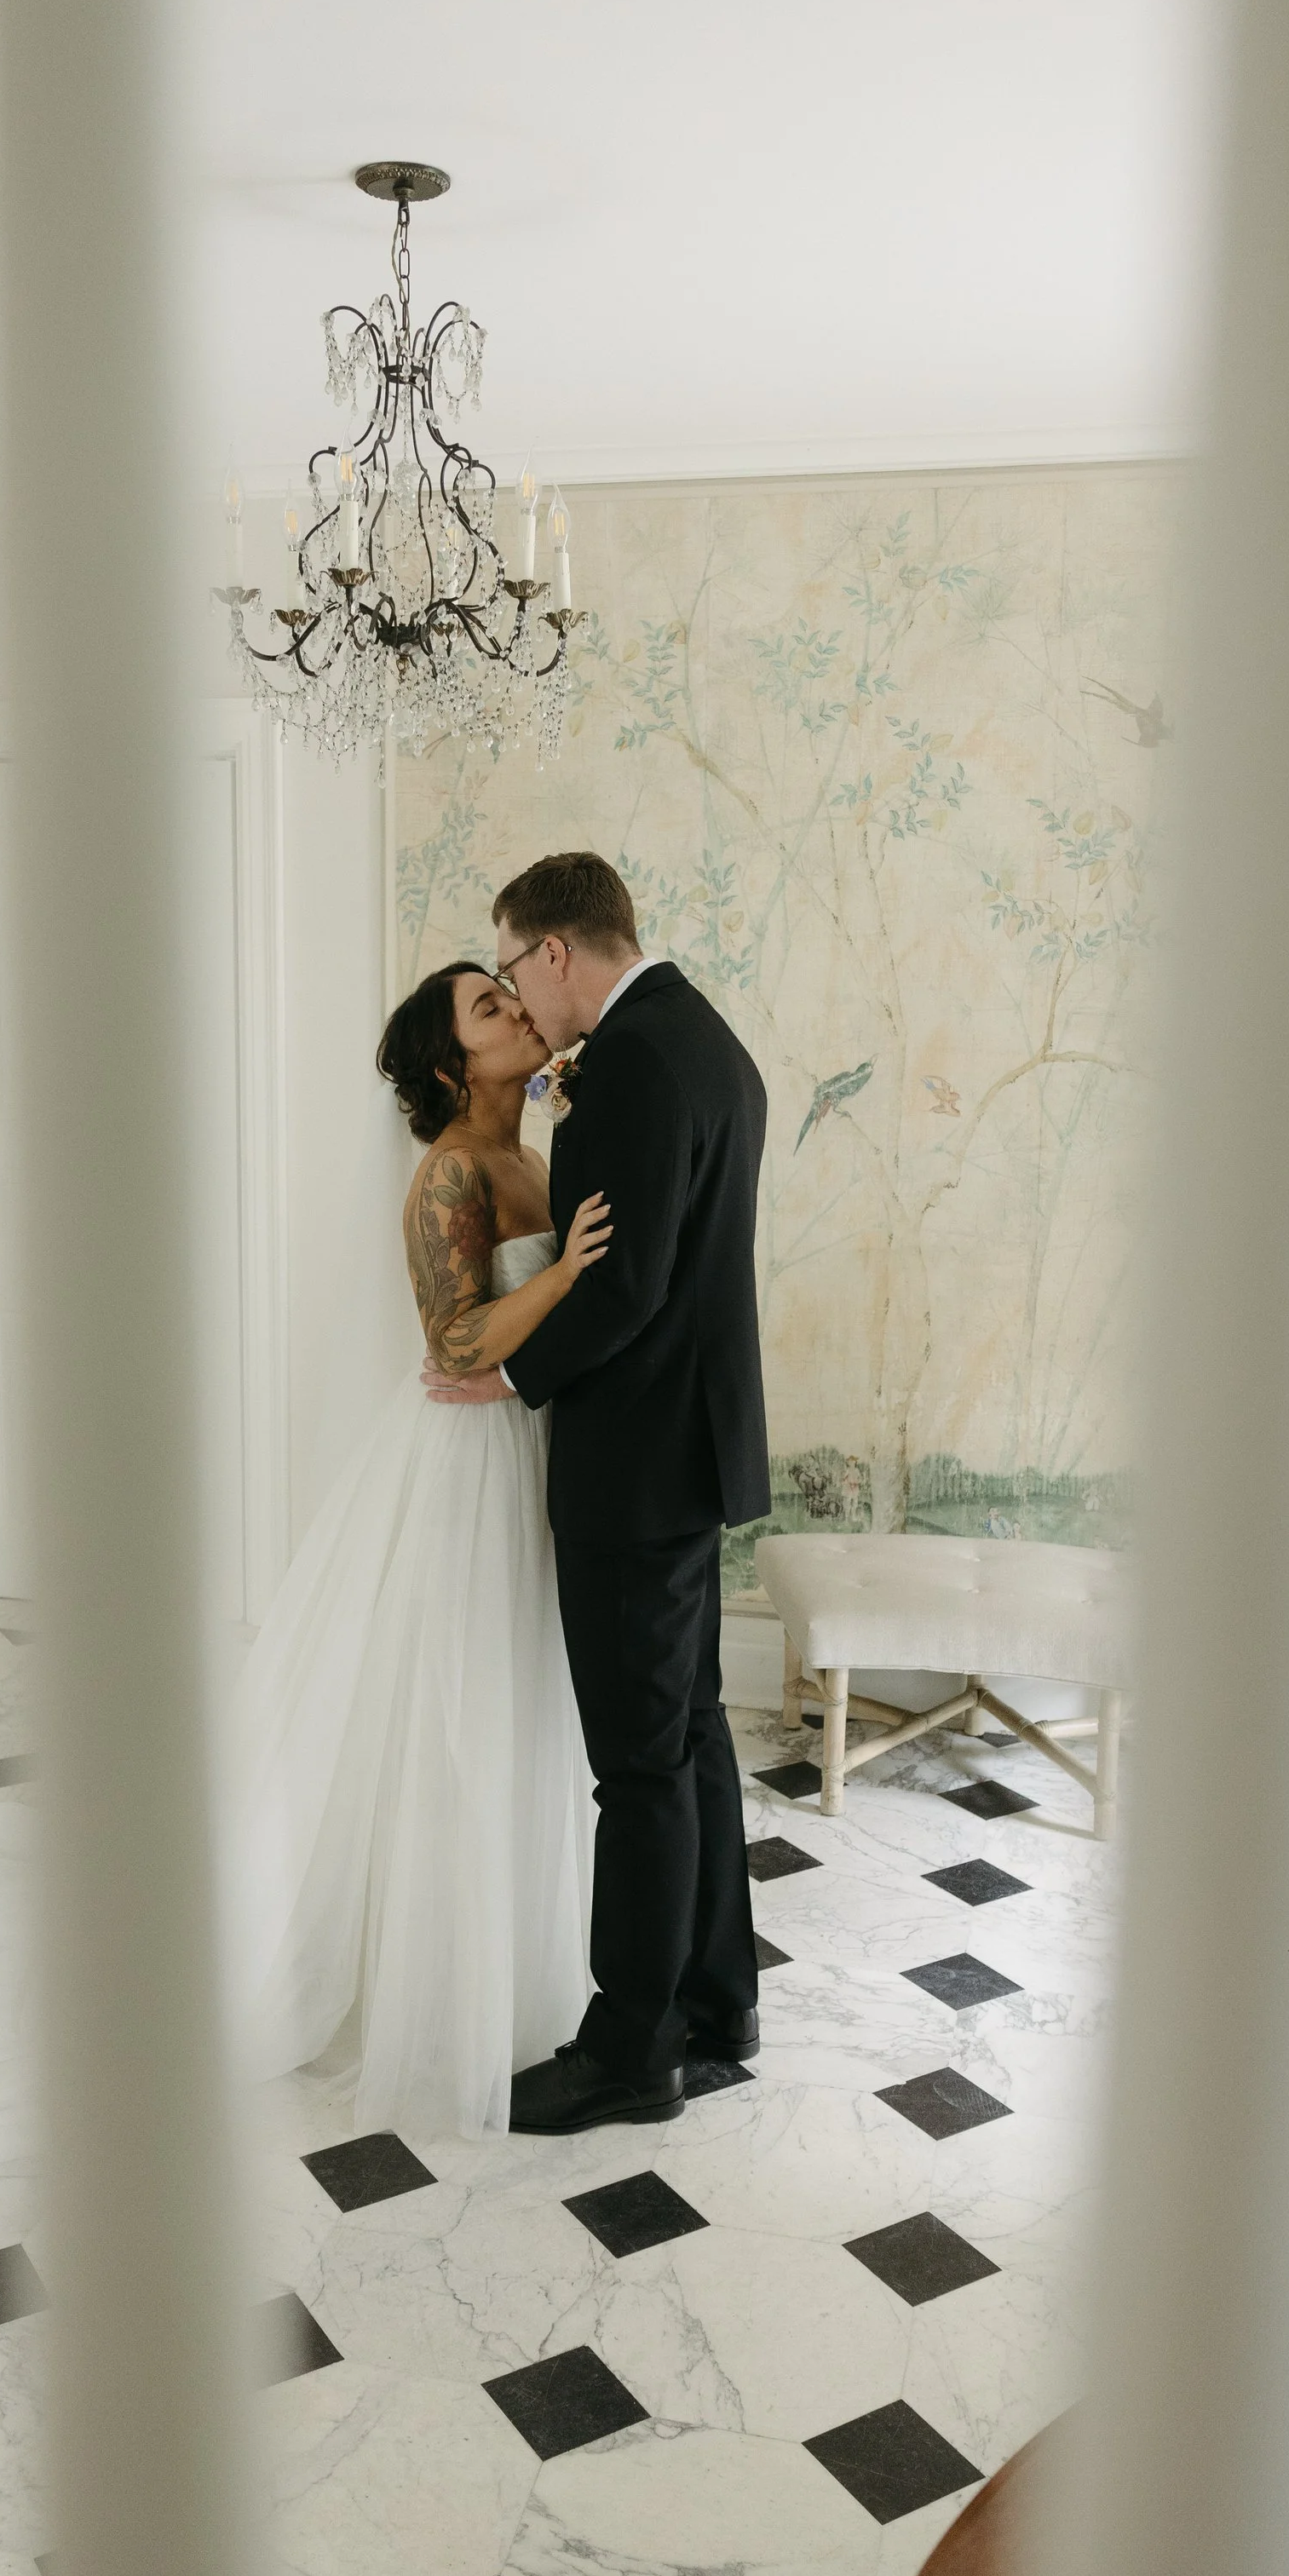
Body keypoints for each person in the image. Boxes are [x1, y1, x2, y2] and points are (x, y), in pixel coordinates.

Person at [228, 960, 613, 2137]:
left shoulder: (531, 1156)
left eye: (509, 993)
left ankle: (516, 1966)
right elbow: (453, 1339)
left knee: (519, 1708)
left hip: (533, 1449)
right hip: (467, 1465)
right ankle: (421, 1989)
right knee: (451, 1712)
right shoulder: (447, 1171)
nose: (515, 1010)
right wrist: (562, 1272)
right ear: (452, 1063)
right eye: (488, 1008)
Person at [425, 850, 771, 2135]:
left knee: (638, 1768)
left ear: (557, 951)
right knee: (690, 1737)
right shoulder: (708, 1037)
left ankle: (632, 2047)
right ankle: (717, 2002)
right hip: (695, 1446)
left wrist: (512, 1375)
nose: (520, 993)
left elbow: (623, 1285)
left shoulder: (628, 1065)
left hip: (634, 1462)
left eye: (516, 966)